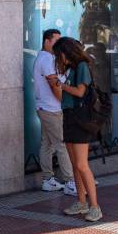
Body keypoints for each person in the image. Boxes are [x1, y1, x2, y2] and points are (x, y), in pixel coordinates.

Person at [48, 37, 102, 222]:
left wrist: (61, 85)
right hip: (70, 117)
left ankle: (95, 206)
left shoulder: (81, 67)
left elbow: (80, 92)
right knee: (74, 165)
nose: (57, 59)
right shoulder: (72, 69)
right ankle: (81, 202)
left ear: (65, 52)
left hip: (81, 119)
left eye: (58, 55)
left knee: (81, 164)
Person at [33, 29, 76, 195]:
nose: (59, 45)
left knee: (47, 143)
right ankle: (70, 181)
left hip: (46, 107)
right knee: (61, 144)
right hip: (51, 108)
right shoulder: (46, 59)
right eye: (56, 41)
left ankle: (48, 179)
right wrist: (63, 102)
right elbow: (54, 84)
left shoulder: (48, 58)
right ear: (46, 41)